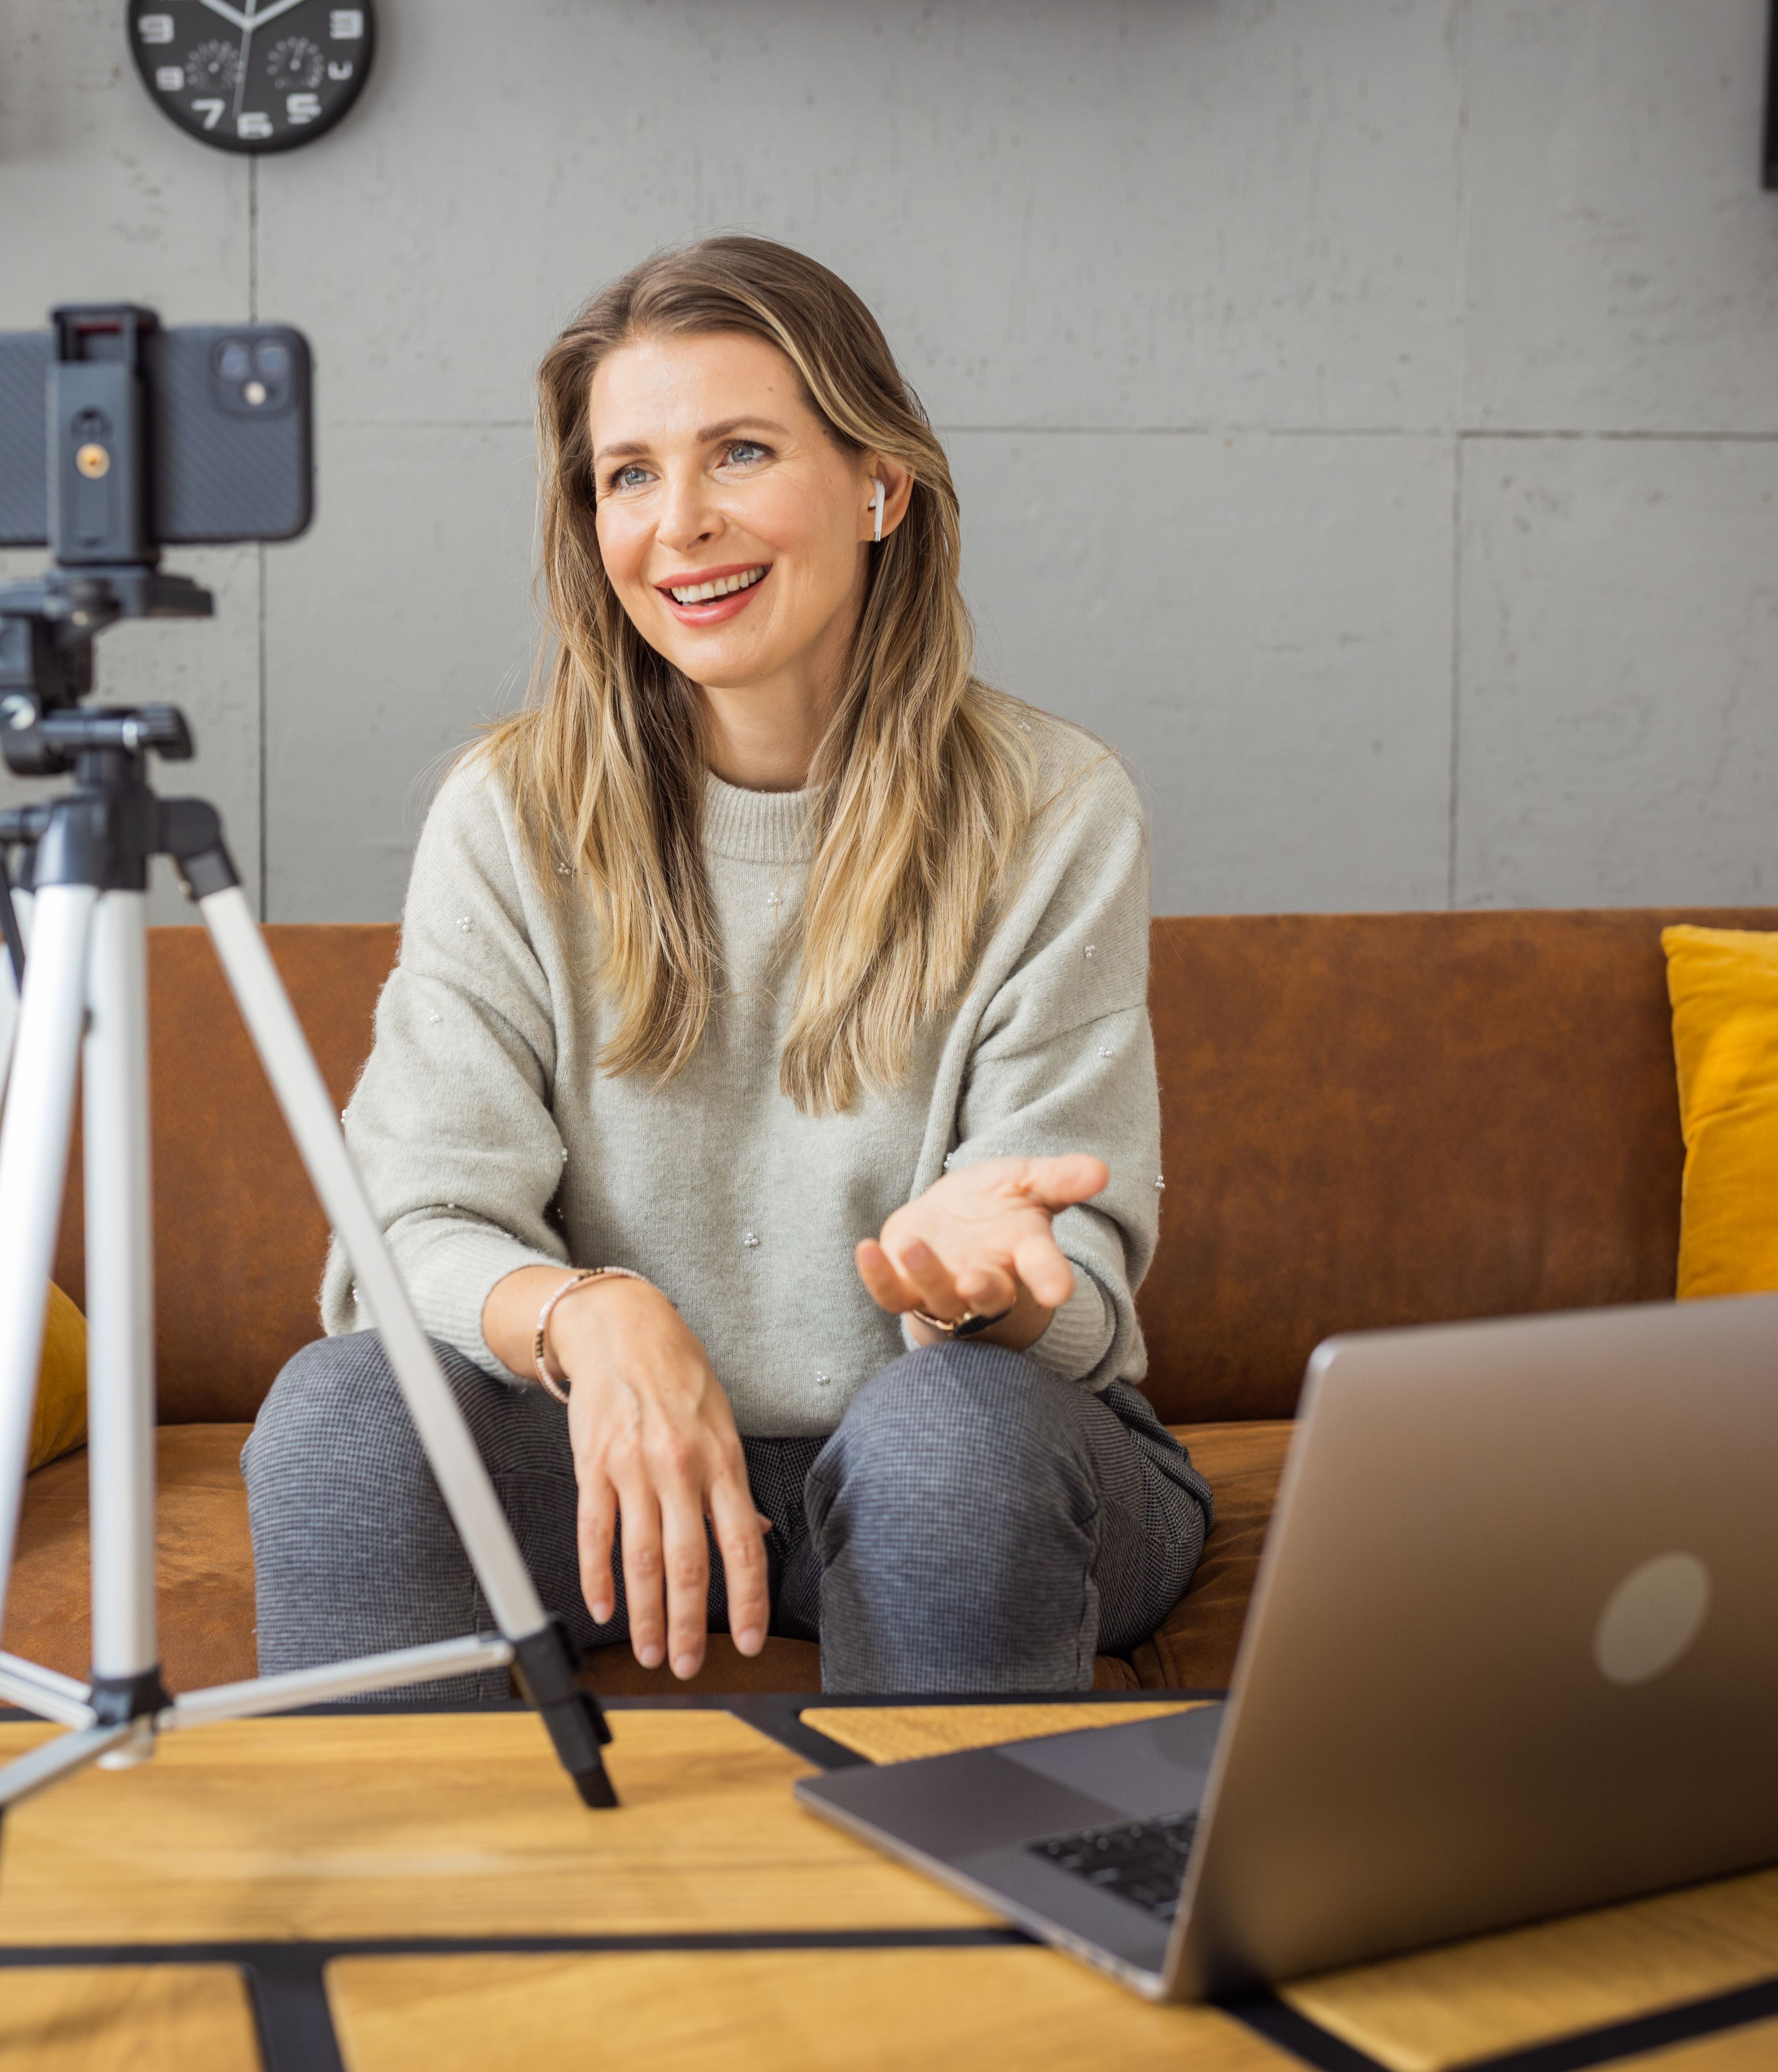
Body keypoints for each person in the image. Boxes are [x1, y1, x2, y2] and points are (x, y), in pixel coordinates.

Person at [243, 235, 1208, 1695]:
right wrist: (594, 1312)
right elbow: (403, 1236)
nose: (677, 523)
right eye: (627, 473)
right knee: (340, 1417)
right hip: (600, 1455)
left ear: (881, 486)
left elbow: (1073, 1314)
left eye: (740, 452)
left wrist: (977, 1286)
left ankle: (947, 1912)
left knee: (949, 1434)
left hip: (967, 1438)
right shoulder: (510, 814)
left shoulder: (1053, 807)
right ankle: (403, 1921)